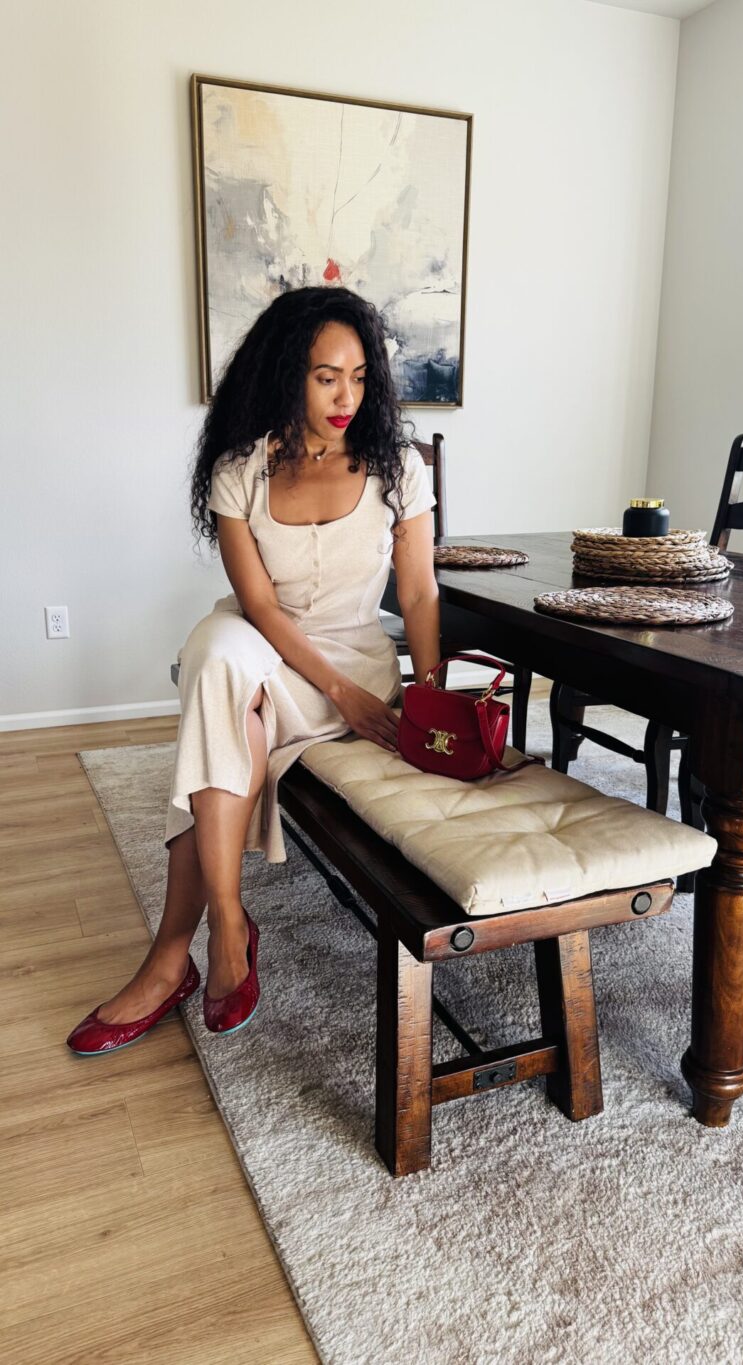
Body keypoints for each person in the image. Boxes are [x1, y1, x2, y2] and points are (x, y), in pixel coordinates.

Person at [66, 285, 440, 1054]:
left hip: (355, 662)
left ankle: (172, 957)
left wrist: (428, 692)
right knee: (215, 653)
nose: (346, 396)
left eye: (360, 376)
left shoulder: (396, 466)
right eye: (325, 375)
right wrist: (338, 691)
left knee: (220, 709)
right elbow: (261, 609)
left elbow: (420, 589)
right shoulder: (240, 468)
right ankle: (230, 920)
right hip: (269, 647)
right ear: (285, 372)